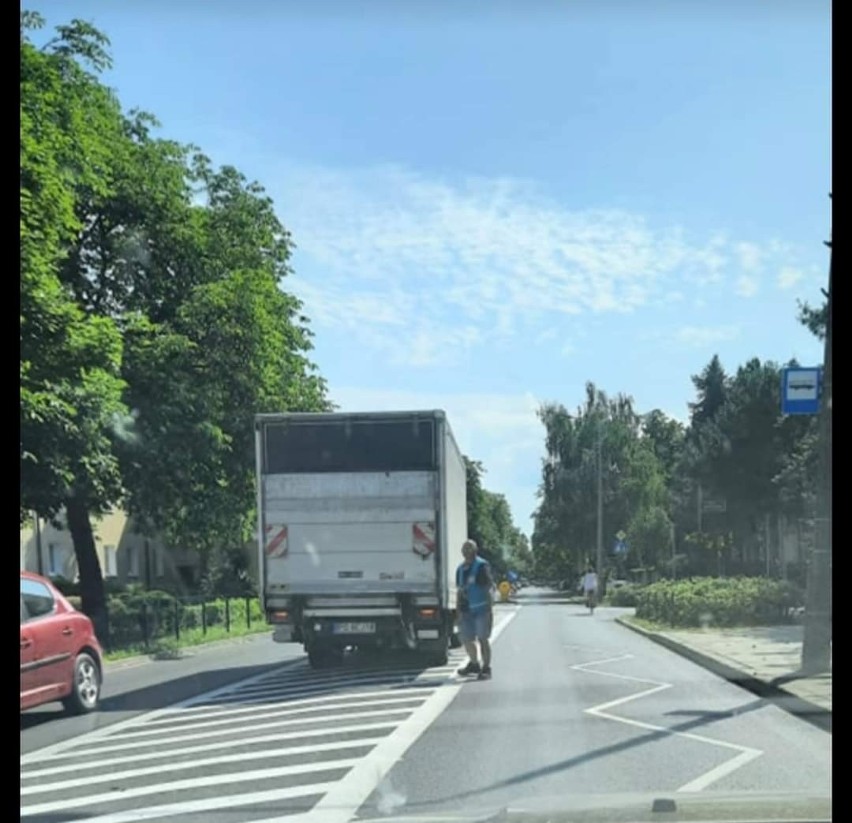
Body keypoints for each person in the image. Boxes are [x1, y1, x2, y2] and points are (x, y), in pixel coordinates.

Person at [455, 539, 494, 680]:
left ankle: (486, 668)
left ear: (475, 550)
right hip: (466, 611)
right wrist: (457, 611)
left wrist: (489, 610)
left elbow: (488, 589)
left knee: (483, 639)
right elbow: (459, 591)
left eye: (469, 548)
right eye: (464, 549)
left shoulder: (481, 566)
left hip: (481, 609)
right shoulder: (460, 569)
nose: (466, 551)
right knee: (466, 638)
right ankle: (474, 664)